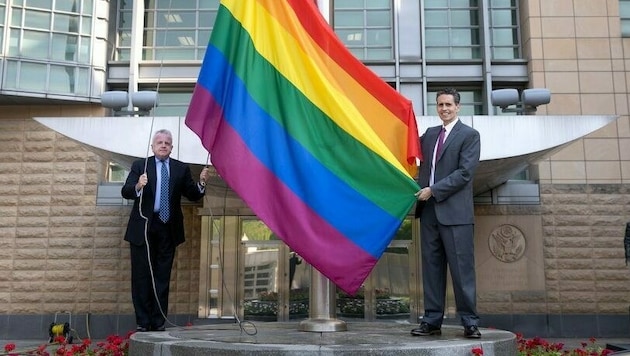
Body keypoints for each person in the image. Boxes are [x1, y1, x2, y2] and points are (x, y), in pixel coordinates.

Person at [121, 129, 210, 332]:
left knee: (162, 277)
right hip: (143, 228)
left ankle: (158, 322)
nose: (163, 145)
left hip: (167, 228)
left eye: (167, 143)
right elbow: (126, 191)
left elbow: (193, 194)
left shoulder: (180, 168)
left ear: (172, 147)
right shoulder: (140, 166)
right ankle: (143, 322)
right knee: (142, 276)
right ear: (152, 146)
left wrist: (202, 182)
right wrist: (138, 185)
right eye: (159, 142)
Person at [411, 88, 482, 339]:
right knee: (431, 269)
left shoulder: (470, 135)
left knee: (462, 271)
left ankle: (470, 322)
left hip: (456, 214)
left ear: (458, 107)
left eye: (448, 105)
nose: (444, 109)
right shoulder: (429, 135)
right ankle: (431, 321)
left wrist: (433, 190)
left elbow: (464, 173)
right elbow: (408, 146)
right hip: (429, 213)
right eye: (440, 105)